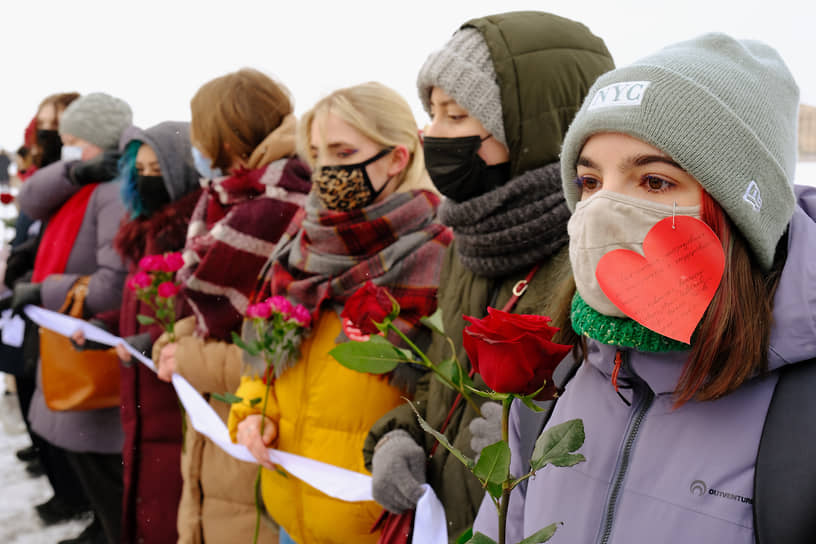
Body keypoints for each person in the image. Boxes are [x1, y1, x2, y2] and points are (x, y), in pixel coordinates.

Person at [472, 33, 815, 544]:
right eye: (590, 182)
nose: (604, 209)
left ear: (741, 213)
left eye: (654, 181)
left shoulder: (799, 408)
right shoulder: (565, 370)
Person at [363, 11, 614, 542]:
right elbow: (444, 374)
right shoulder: (470, 239)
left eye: (455, 115)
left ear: (534, 130)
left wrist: (538, 442)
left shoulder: (593, 259)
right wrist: (402, 436)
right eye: (431, 112)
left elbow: (631, 427)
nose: (433, 133)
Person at [228, 81, 452, 544]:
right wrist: (252, 412)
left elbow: (444, 397)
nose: (328, 170)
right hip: (291, 510)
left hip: (376, 520)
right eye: (318, 155)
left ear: (397, 157)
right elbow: (266, 357)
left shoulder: (439, 253)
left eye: (344, 152)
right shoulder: (301, 244)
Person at [152, 68, 311, 544]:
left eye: (200, 136)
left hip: (261, 435)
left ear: (227, 142)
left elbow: (287, 347)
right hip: (220, 423)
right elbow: (206, 319)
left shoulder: (282, 209)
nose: (196, 150)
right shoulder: (228, 203)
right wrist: (175, 338)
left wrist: (190, 356)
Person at [73, 120, 201, 543]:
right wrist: (104, 327)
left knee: (169, 511)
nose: (147, 179)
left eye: (156, 169)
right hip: (140, 395)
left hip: (176, 399)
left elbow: (199, 313)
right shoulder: (144, 233)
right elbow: (136, 307)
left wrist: (156, 339)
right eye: (140, 170)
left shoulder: (191, 235)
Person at [15, 91, 132, 544]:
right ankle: (103, 524)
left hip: (89, 343)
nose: (65, 148)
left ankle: (113, 530)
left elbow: (113, 281)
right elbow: (31, 197)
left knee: (103, 465)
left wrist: (45, 288)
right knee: (86, 460)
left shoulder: (111, 194)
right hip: (66, 335)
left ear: (100, 139)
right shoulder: (81, 183)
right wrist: (73, 168)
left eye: (74, 141)